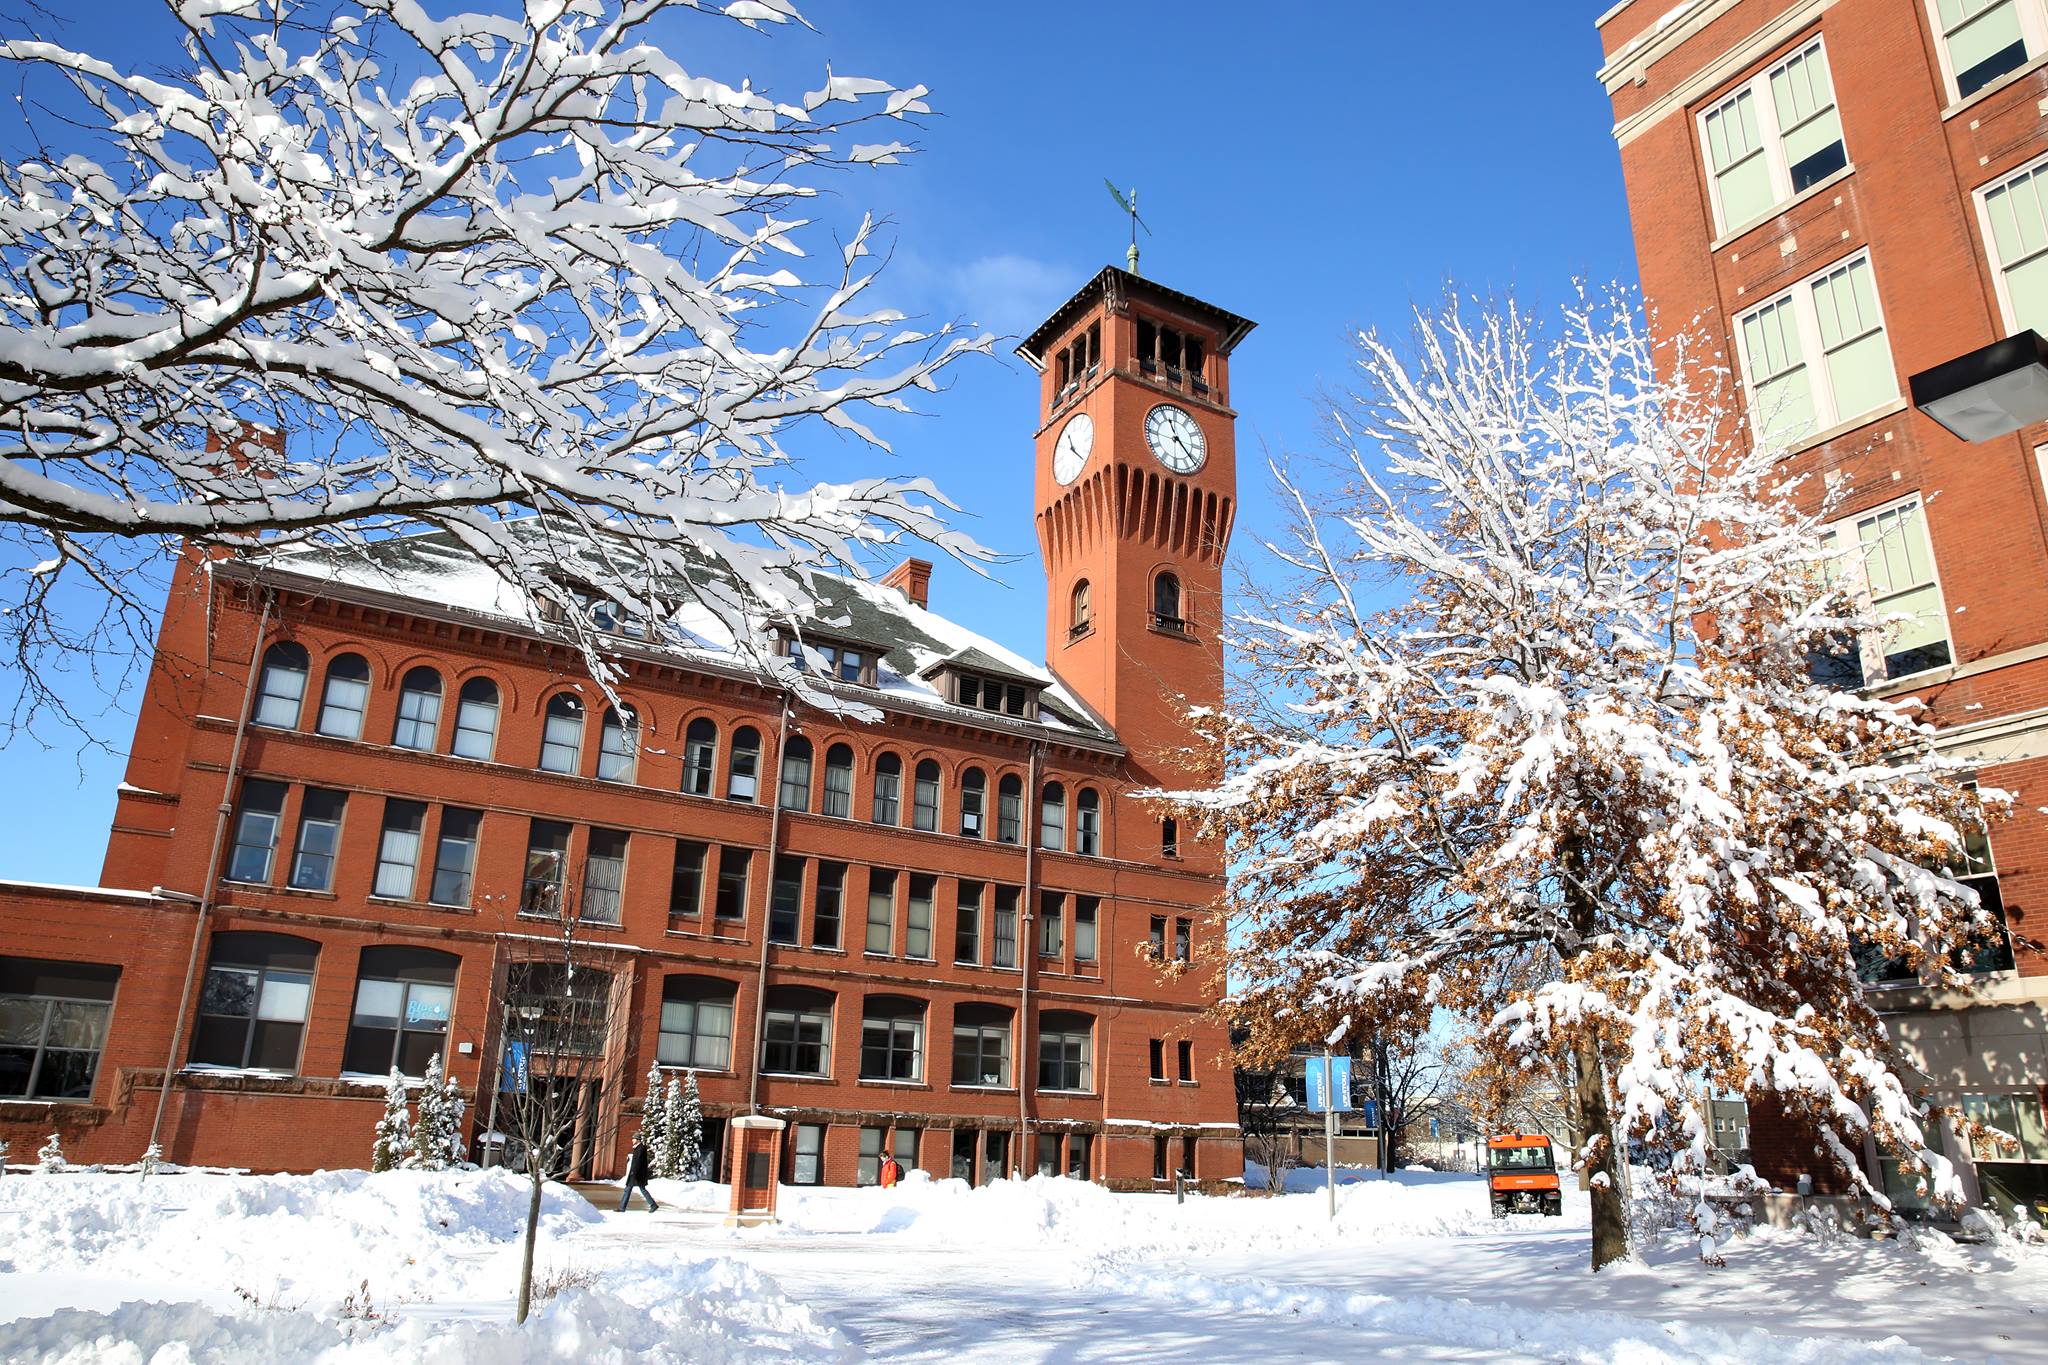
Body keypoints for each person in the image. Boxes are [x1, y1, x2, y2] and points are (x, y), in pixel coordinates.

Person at [619, 1132, 658, 1213]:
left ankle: (653, 1205)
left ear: (637, 1139)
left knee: (637, 1189)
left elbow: (638, 1162)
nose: (632, 1140)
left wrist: (634, 1172)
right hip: (635, 1174)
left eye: (633, 1139)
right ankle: (622, 1207)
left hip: (637, 1174)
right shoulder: (638, 1148)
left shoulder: (641, 1148)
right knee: (629, 1189)